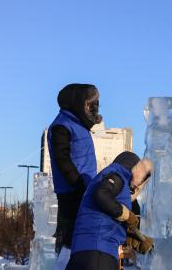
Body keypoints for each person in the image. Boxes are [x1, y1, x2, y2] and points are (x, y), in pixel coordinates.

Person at [66, 152, 154, 270]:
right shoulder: (117, 175)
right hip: (98, 254)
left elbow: (105, 220)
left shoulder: (104, 178)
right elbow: (101, 195)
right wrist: (126, 215)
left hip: (83, 252)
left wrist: (134, 241)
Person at [48, 84, 102, 268]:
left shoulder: (78, 125)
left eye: (97, 104)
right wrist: (78, 183)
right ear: (78, 103)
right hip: (72, 192)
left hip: (84, 188)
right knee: (69, 239)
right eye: (91, 104)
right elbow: (62, 159)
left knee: (82, 236)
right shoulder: (62, 126)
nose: (95, 108)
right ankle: (62, 266)